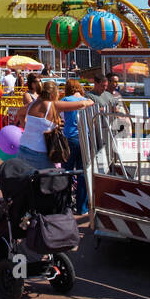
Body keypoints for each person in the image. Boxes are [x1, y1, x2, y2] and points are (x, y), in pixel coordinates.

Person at [56, 80, 90, 214]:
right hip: (84, 136)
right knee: (82, 172)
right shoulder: (86, 100)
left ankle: (65, 205)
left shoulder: (65, 100)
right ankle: (82, 207)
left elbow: (61, 116)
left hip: (70, 137)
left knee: (67, 171)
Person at [15, 78, 61, 169]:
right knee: (46, 180)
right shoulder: (50, 105)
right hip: (39, 151)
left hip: (25, 147)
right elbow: (80, 104)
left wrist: (26, 125)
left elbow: (19, 113)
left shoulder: (34, 104)